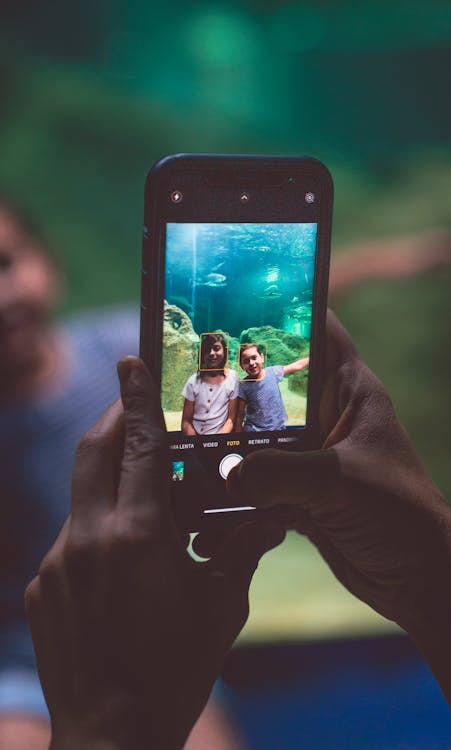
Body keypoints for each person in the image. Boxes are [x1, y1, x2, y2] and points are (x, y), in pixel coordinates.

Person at [25, 311, 451, 750]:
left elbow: (269, 387)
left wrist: (101, 732)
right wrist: (443, 587)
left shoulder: (115, 340)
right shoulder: (196, 378)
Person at [0, 198, 240, 750]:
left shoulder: (119, 349)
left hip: (152, 640)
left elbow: (229, 324)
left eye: (6, 263)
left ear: (48, 260)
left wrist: (367, 267)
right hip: (18, 664)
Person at [236, 343, 309, 431]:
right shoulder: (243, 385)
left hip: (278, 428)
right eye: (246, 361)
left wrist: (314, 357)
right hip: (254, 432)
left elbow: (297, 365)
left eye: (254, 358)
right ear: (241, 366)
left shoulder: (273, 372)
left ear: (262, 357)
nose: (251, 363)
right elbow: (239, 416)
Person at [181, 333, 238, 435]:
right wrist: (196, 443)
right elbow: (186, 422)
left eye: (216, 348)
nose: (211, 353)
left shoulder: (233, 378)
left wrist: (217, 442)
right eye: (207, 350)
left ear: (224, 351)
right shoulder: (193, 381)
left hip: (221, 439)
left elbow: (231, 420)